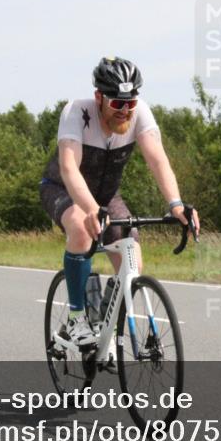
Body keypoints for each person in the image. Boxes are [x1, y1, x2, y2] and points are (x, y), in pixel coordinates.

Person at [39, 56, 199, 346]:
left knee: (132, 259)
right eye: (117, 104)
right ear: (99, 97)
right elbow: (69, 167)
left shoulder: (141, 113)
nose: (125, 111)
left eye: (131, 103)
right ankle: (77, 320)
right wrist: (89, 209)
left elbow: (158, 160)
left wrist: (176, 204)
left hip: (107, 197)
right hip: (62, 188)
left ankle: (106, 324)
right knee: (79, 225)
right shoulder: (76, 111)